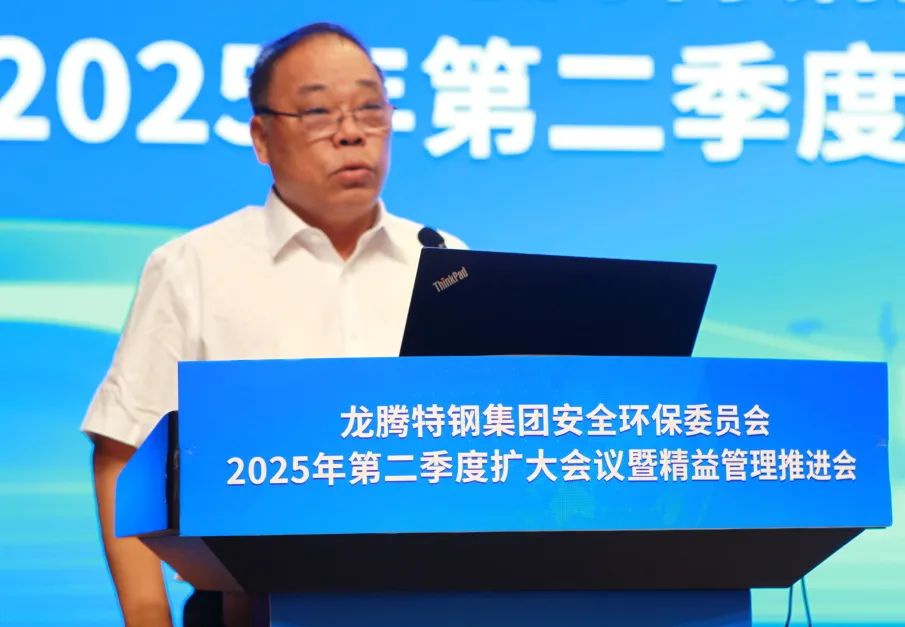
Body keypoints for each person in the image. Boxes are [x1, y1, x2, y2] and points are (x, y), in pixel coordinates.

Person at [81, 22, 464, 627]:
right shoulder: (195, 266)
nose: (350, 133)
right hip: (244, 607)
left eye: (370, 109)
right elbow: (122, 453)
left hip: (428, 604)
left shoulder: (446, 262)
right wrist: (147, 616)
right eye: (318, 112)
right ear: (262, 137)